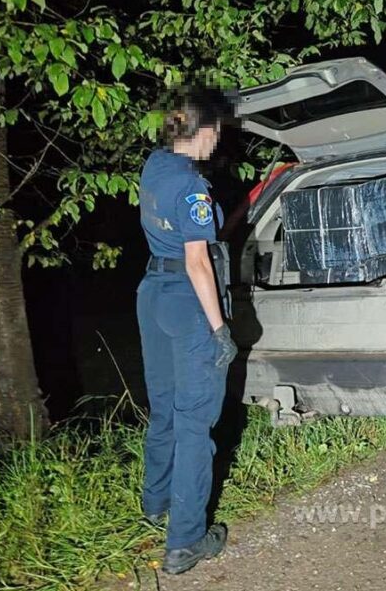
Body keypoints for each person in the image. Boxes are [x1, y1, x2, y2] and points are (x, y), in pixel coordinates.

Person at [136, 87, 238, 574]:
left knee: (165, 409)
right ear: (205, 132)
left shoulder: (155, 166)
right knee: (195, 423)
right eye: (216, 132)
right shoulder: (193, 188)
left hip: (153, 293)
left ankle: (154, 504)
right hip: (188, 300)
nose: (217, 142)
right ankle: (185, 542)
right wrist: (220, 330)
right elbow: (199, 263)